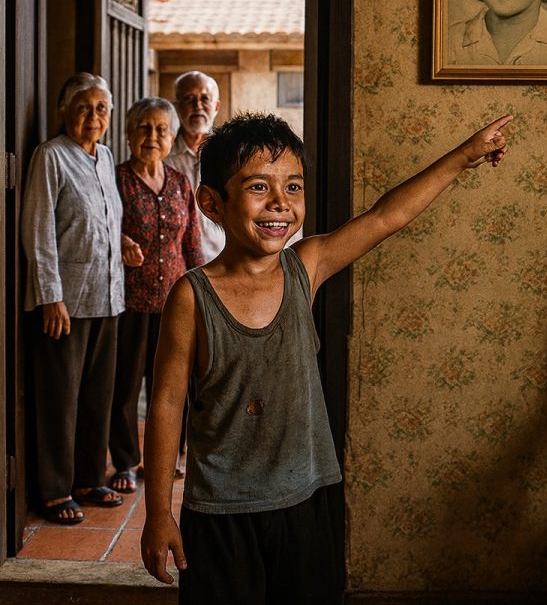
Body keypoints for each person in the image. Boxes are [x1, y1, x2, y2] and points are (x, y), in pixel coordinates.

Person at [140, 111, 513, 604]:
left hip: (306, 500)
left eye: (293, 188)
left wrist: (464, 156)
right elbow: (167, 404)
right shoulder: (191, 297)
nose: (280, 204)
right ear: (212, 203)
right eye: (258, 187)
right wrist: (158, 512)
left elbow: (386, 217)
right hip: (220, 513)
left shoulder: (306, 268)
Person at [21, 73, 125, 524]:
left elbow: (99, 220)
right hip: (67, 301)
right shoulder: (51, 156)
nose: (94, 116)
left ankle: (89, 477)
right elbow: (39, 230)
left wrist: (124, 245)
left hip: (108, 293)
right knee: (60, 397)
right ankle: (55, 489)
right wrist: (50, 296)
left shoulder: (104, 157)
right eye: (84, 107)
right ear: (65, 110)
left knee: (98, 396)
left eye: (102, 108)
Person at [109, 97, 204, 495]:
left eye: (160, 129)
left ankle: (170, 456)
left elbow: (192, 243)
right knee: (126, 387)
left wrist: (202, 292)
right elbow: (101, 226)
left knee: (172, 386)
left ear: (170, 138)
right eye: (143, 129)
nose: (152, 136)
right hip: (129, 301)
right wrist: (120, 240)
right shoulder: (116, 179)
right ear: (130, 134)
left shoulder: (181, 182)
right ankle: (127, 462)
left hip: (174, 305)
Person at [165, 71, 225, 262]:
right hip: (175, 265)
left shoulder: (231, 156)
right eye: (189, 99)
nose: (197, 106)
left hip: (221, 260)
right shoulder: (162, 157)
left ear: (216, 106)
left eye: (204, 99)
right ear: (176, 107)